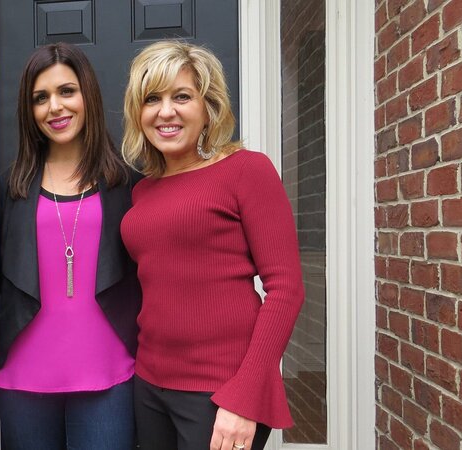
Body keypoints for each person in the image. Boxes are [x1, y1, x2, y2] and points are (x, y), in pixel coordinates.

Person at [120, 41, 305, 450]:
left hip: (220, 391)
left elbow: (286, 288)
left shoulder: (246, 170)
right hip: (148, 385)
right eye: (152, 99)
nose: (165, 111)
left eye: (181, 97)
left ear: (208, 107)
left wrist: (244, 396)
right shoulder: (143, 191)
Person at [0, 42, 140, 450]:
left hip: (109, 376)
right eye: (40, 98)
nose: (55, 107)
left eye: (66, 91)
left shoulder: (127, 184)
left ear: (87, 94)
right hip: (22, 380)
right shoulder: (9, 187)